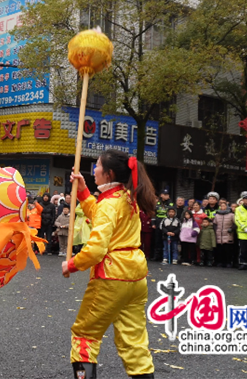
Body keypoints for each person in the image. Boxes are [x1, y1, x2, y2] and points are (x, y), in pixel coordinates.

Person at [61, 149, 155, 379]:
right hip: (135, 277)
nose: (94, 169)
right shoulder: (127, 197)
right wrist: (83, 190)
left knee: (85, 335)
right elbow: (100, 212)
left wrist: (72, 264)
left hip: (111, 276)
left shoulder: (111, 202)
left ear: (109, 173)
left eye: (98, 166)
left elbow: (96, 249)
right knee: (135, 341)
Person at [212, 202, 236, 268]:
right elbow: (214, 224)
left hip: (228, 234)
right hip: (219, 234)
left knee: (227, 250)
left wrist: (231, 229)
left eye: (224, 206)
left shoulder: (231, 215)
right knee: (219, 250)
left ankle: (228, 262)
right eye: (221, 206)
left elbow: (235, 223)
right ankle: (220, 262)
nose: (222, 207)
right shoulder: (217, 215)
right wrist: (216, 230)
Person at [151, 189, 172, 262]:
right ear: (161, 195)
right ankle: (157, 256)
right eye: (164, 194)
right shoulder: (157, 203)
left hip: (166, 222)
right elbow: (154, 214)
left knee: (165, 239)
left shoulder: (170, 203)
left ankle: (165, 256)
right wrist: (153, 223)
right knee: (157, 239)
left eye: (167, 194)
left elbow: (171, 212)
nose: (166, 196)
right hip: (158, 221)